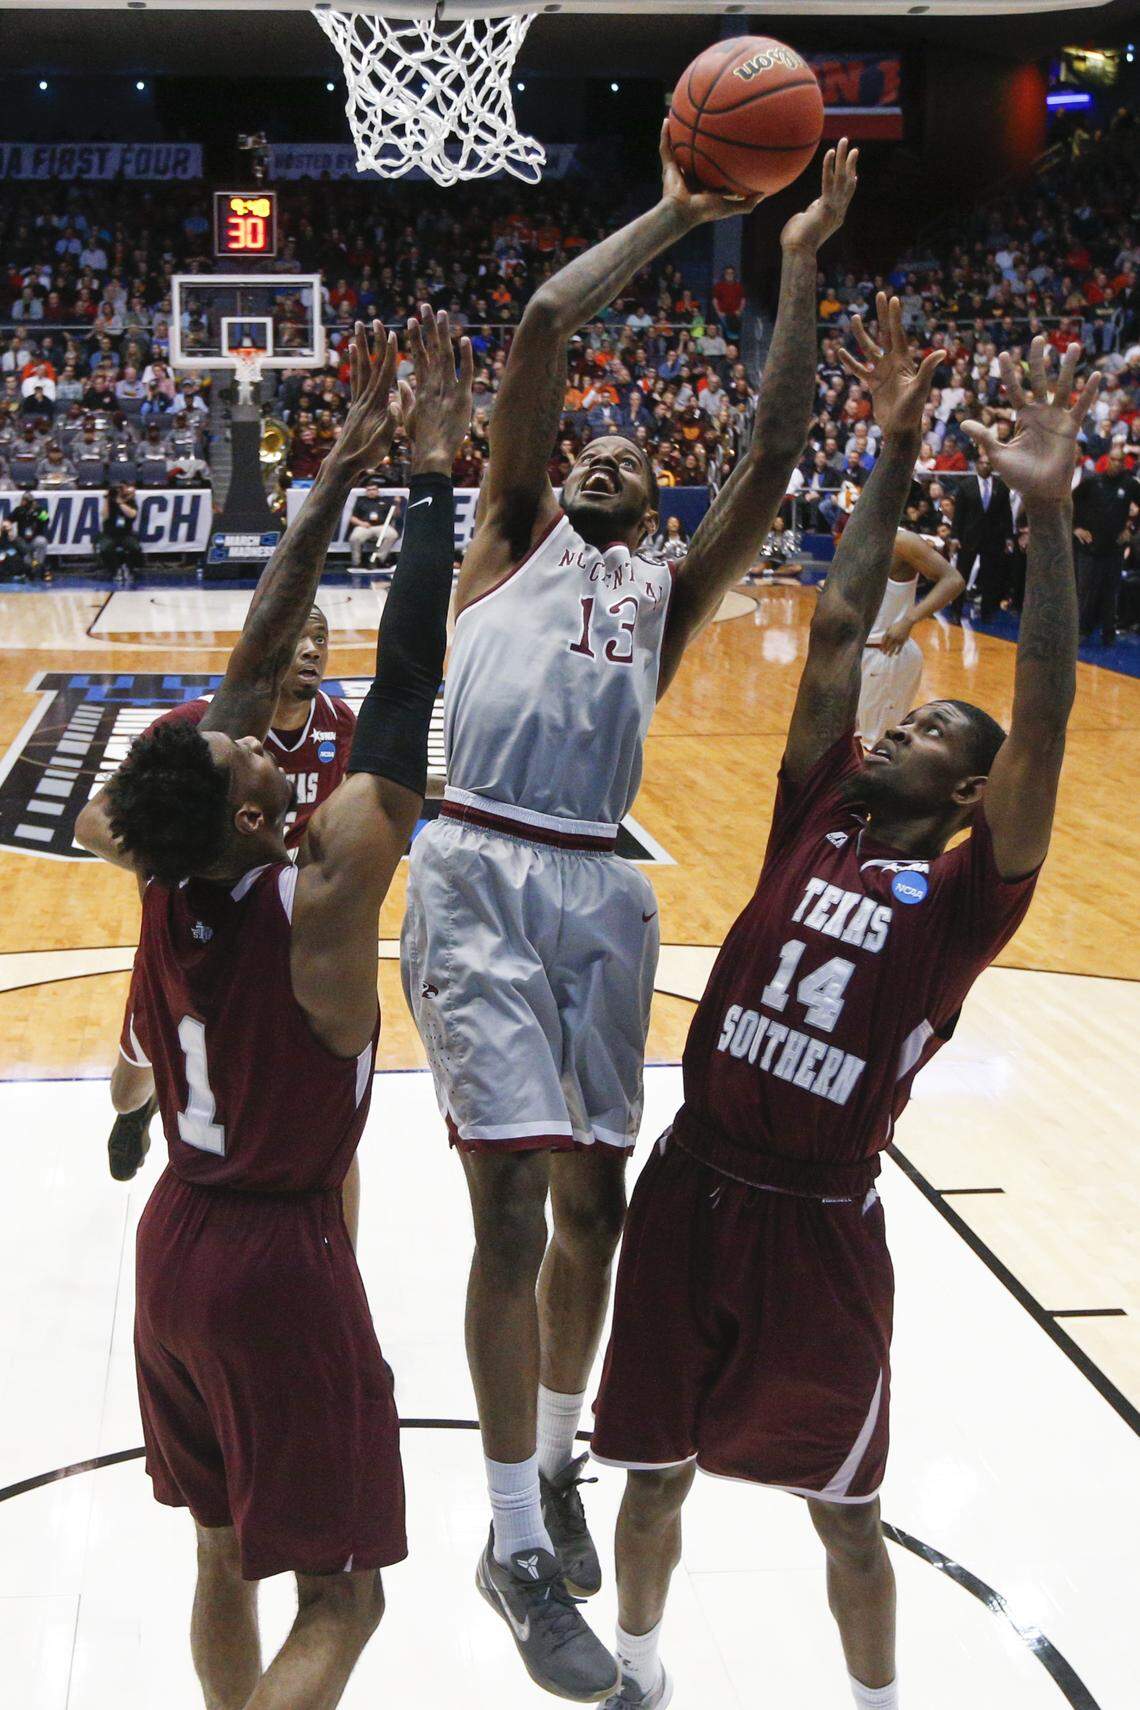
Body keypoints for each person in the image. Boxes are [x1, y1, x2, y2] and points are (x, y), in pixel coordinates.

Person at [400, 130, 858, 1701]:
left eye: (629, 458)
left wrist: (792, 273)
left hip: (601, 887)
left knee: (595, 1214)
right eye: (585, 449)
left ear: (653, 501)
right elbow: (540, 331)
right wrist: (677, 211)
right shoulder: (502, 545)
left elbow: (775, 460)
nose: (602, 456)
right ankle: (515, 1531)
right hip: (478, 866)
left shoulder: (662, 598)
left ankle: (556, 1461)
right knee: (511, 1208)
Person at [590, 319, 1098, 1710]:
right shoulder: (813, 808)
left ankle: (874, 1702)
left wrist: (1045, 523)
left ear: (973, 795)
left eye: (931, 733)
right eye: (906, 721)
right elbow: (833, 626)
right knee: (651, 1471)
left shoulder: (961, 905)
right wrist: (881, 447)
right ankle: (640, 1673)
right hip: (694, 1179)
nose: (896, 729)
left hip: (821, 1214)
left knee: (846, 1510)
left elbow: (1043, 716)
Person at [73, 313, 472, 1710]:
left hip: (173, 1239)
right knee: (346, 1591)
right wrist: (428, 480)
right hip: (272, 1262)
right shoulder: (324, 894)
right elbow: (412, 684)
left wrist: (329, 488)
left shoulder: (177, 871)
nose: (257, 726)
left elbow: (252, 649)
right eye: (252, 752)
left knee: (220, 1547)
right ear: (256, 807)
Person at [103, 606, 357, 1183]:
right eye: (299, 636)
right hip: (192, 918)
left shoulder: (339, 723)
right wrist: (188, 865)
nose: (313, 649)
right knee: (127, 1090)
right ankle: (140, 1111)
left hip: (273, 917)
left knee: (279, 1070)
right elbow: (98, 822)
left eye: (321, 637)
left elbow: (377, 788)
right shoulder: (203, 728)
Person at [857, 527, 964, 746]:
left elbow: (954, 580)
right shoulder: (860, 533)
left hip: (885, 653)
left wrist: (909, 619)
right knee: (852, 745)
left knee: (876, 745)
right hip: (857, 653)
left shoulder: (902, 540)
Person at [1073, 442, 1140, 644]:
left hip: (1114, 548)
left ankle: (1108, 632)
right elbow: (1070, 502)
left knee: (1111, 592)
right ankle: (1081, 630)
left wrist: (1131, 528)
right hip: (1089, 547)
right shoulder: (1092, 482)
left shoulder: (1130, 485)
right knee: (1085, 590)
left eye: (1121, 460)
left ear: (1125, 463)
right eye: (1113, 459)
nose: (1117, 463)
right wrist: (1076, 528)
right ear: (1107, 460)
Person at [954, 450, 1014, 617]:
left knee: (990, 576)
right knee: (961, 576)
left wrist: (1009, 537)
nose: (985, 466)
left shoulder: (1001, 487)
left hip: (993, 538)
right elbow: (959, 515)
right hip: (969, 537)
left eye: (988, 464)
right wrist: (954, 537)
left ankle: (987, 611)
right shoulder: (965, 486)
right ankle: (956, 611)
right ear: (976, 465)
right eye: (982, 463)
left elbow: (1006, 514)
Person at [348, 479, 400, 569]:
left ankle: (378, 559)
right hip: (365, 527)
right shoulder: (361, 501)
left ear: (377, 491)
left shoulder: (385, 501)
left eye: (373, 489)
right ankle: (356, 563)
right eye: (369, 490)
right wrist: (361, 523)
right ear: (366, 491)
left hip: (381, 526)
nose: (371, 492)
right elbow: (352, 518)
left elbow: (395, 514)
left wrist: (397, 503)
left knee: (393, 535)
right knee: (354, 538)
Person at [99, 483, 143, 586]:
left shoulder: (130, 501)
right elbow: (104, 516)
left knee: (135, 548)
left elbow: (132, 514)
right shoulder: (109, 502)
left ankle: (130, 568)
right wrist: (107, 499)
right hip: (109, 533)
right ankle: (114, 570)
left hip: (126, 533)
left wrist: (121, 503)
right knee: (105, 548)